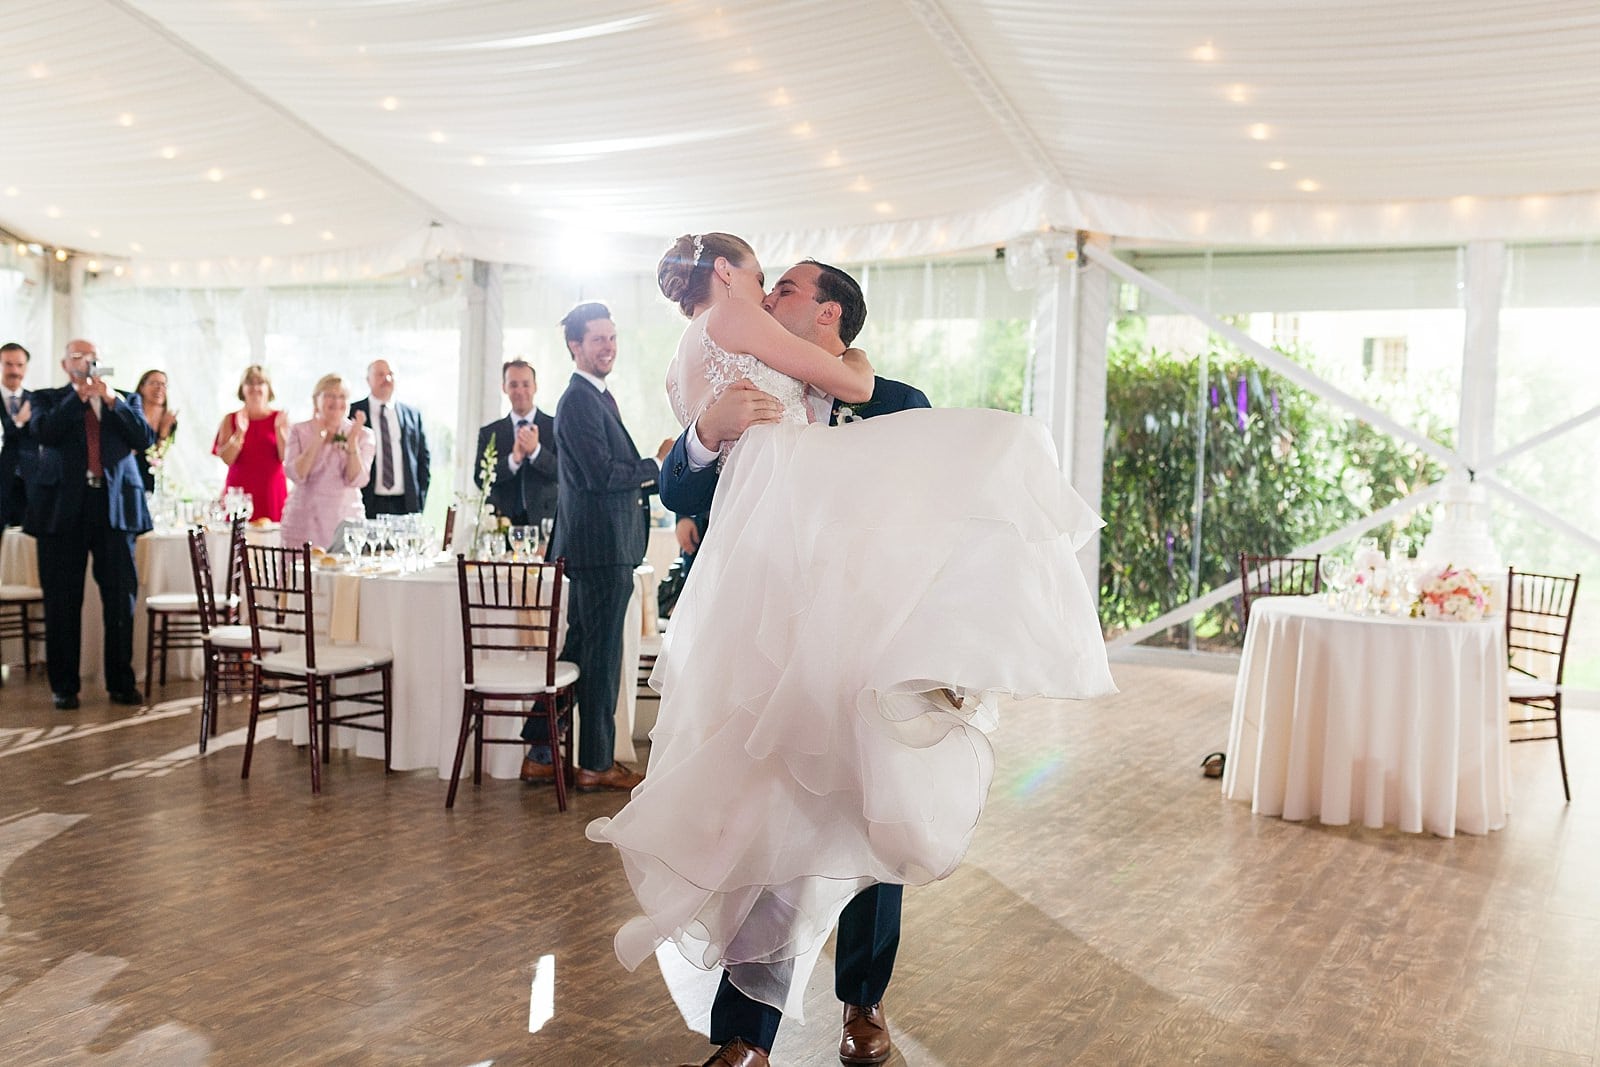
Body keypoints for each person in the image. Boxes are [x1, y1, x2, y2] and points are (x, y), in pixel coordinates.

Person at [586, 235, 1114, 1067]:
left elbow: (946, 518)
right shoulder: (745, 368)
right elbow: (683, 490)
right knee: (768, 818)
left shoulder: (898, 400)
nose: (770, 298)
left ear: (828, 310)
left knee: (875, 825)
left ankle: (862, 1007)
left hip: (871, 643)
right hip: (767, 638)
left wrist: (944, 648)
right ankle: (744, 1037)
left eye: (788, 288)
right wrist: (700, 435)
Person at [520, 303, 672, 792]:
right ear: (575, 347)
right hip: (601, 549)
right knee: (601, 658)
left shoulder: (595, 396)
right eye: (597, 339)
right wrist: (656, 464)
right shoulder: (580, 400)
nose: (608, 346)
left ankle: (542, 752)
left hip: (601, 547)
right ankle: (596, 764)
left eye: (612, 337)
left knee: (582, 650)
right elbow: (602, 475)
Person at [23, 339, 154, 710]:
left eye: (91, 355)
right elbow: (44, 433)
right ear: (66, 365)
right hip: (62, 510)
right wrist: (78, 397)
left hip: (114, 509)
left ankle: (121, 682)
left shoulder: (126, 399)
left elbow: (144, 438)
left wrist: (110, 400)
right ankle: (64, 686)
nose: (85, 361)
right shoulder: (47, 398)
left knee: (120, 599)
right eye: (77, 357)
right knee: (63, 601)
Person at [280, 374, 375, 551]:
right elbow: (296, 475)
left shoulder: (364, 434)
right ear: (317, 400)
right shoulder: (299, 430)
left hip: (344, 521)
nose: (336, 401)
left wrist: (352, 441)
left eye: (342, 396)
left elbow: (357, 480)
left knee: (344, 577)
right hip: (304, 521)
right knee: (301, 576)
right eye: (330, 395)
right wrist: (318, 439)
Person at [474, 359, 557, 529]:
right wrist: (513, 460)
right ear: (504, 387)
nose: (520, 391)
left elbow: (565, 473)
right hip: (503, 525)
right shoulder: (489, 433)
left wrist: (536, 452)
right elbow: (480, 479)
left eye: (525, 384)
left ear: (535, 386)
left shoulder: (556, 427)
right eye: (513, 385)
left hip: (546, 525)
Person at [349, 358, 430, 518]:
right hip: (367, 501)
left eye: (390, 374)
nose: (386, 379)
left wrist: (419, 501)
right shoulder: (353, 412)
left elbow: (423, 461)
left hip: (404, 504)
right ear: (368, 380)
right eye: (380, 374)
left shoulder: (412, 415)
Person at [212, 364, 289, 522]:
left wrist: (279, 431)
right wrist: (240, 433)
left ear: (269, 388)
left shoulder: (280, 418)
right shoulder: (230, 419)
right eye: (250, 383)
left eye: (260, 383)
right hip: (239, 493)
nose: (255, 387)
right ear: (242, 389)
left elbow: (285, 457)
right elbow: (227, 459)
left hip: (272, 492)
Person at [0, 342, 34, 526]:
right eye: (8, 364)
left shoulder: (37, 400)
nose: (14, 370)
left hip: (29, 483)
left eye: (19, 365)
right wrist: (19, 421)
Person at [132, 369, 178, 493]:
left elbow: (158, 458)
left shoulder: (170, 421)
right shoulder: (131, 415)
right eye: (154, 383)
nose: (159, 388)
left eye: (163, 384)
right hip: (129, 473)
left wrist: (163, 432)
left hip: (151, 478)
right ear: (142, 387)